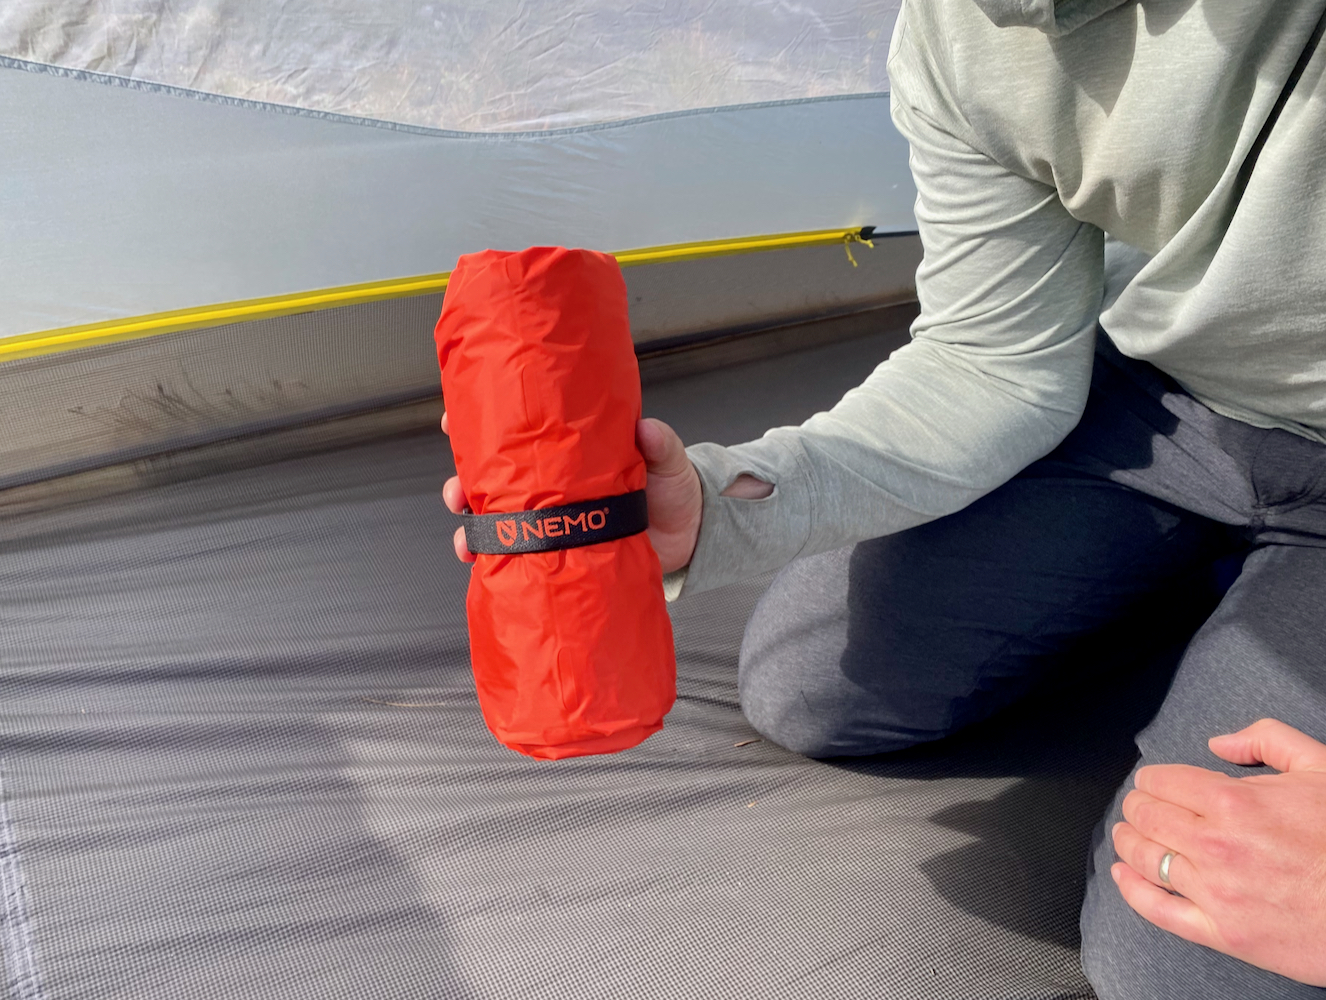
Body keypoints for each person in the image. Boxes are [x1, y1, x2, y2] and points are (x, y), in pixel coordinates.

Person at [445, 0, 1325, 995]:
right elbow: (995, 365)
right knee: (805, 682)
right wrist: (717, 508)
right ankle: (1196, 582)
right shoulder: (960, 33)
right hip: (1157, 396)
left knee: (1187, 962)